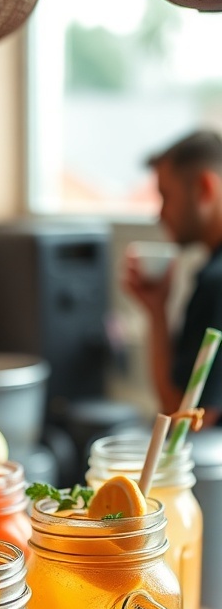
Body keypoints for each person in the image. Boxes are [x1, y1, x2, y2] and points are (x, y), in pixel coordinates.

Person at [123, 129, 222, 426]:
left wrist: (156, 313)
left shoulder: (215, 283)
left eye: (167, 196)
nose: (160, 214)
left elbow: (183, 417)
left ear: (204, 188)